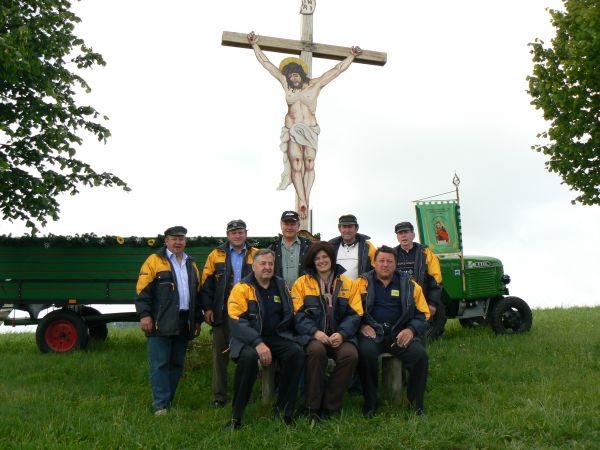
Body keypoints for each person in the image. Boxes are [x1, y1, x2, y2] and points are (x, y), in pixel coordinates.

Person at [247, 31, 363, 219]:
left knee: (309, 163)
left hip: (310, 130)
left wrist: (351, 56)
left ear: (301, 74)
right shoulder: (286, 84)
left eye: (295, 75)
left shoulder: (315, 85)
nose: (293, 78)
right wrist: (255, 45)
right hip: (292, 129)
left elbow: (336, 70)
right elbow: (267, 64)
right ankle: (301, 199)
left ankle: (305, 198)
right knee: (297, 163)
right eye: (290, 76)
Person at [225, 249, 305, 430]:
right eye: (263, 263)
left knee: (296, 353)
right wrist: (257, 343)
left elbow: (290, 313)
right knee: (248, 358)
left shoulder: (281, 285)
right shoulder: (242, 288)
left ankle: (284, 412)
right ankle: (236, 417)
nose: (267, 267)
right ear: (253, 266)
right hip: (248, 339)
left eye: (270, 264)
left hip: (277, 336)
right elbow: (236, 320)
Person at [291, 241, 363, 424]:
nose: (322, 261)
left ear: (332, 258)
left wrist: (342, 334)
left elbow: (356, 314)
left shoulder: (348, 283)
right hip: (313, 336)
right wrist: (315, 332)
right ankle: (312, 407)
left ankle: (329, 404)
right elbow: (297, 314)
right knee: (316, 352)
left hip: (339, 336)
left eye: (325, 257)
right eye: (317, 258)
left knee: (350, 355)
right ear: (312, 261)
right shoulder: (301, 283)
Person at [135, 225, 202, 416]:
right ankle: (160, 405)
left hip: (183, 321)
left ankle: (168, 401)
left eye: (181, 239)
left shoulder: (191, 263)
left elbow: (196, 294)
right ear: (166, 241)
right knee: (160, 364)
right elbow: (142, 291)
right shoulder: (154, 261)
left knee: (176, 364)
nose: (178, 242)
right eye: (174, 239)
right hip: (160, 320)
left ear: (185, 241)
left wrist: (196, 320)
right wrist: (144, 315)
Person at [356, 245, 430, 417]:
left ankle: (416, 406)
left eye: (389, 261)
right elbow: (351, 311)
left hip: (399, 334)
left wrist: (411, 330)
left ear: (396, 264)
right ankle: (370, 404)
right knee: (365, 354)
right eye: (381, 260)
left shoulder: (410, 284)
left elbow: (423, 314)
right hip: (372, 335)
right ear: (374, 263)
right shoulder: (361, 283)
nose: (385, 264)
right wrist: (361, 326)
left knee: (420, 356)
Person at [200, 219, 258, 408]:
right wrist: (208, 308)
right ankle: (220, 397)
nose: (237, 236)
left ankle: (247, 394)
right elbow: (206, 283)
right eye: (233, 232)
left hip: (248, 313)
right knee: (220, 355)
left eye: (240, 232)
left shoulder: (256, 254)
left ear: (246, 233)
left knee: (249, 353)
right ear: (228, 235)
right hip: (222, 311)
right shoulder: (215, 254)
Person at [394, 221, 443, 318]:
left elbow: (436, 279)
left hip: (422, 300)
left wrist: (432, 303)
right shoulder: (392, 254)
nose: (403, 236)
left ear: (413, 235)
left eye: (406, 232)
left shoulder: (426, 253)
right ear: (397, 237)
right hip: (397, 301)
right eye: (400, 233)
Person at [268, 210, 313, 289]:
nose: (289, 227)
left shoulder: (309, 247)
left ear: (298, 226)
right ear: (281, 225)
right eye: (286, 224)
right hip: (279, 293)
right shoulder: (272, 248)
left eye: (292, 224)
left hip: (304, 293)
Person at [328, 214, 376, 280]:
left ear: (356, 228)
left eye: (350, 227)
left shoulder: (368, 247)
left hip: (361, 286)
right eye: (344, 227)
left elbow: (376, 269)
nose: (347, 230)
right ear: (339, 228)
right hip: (335, 286)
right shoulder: (331, 247)